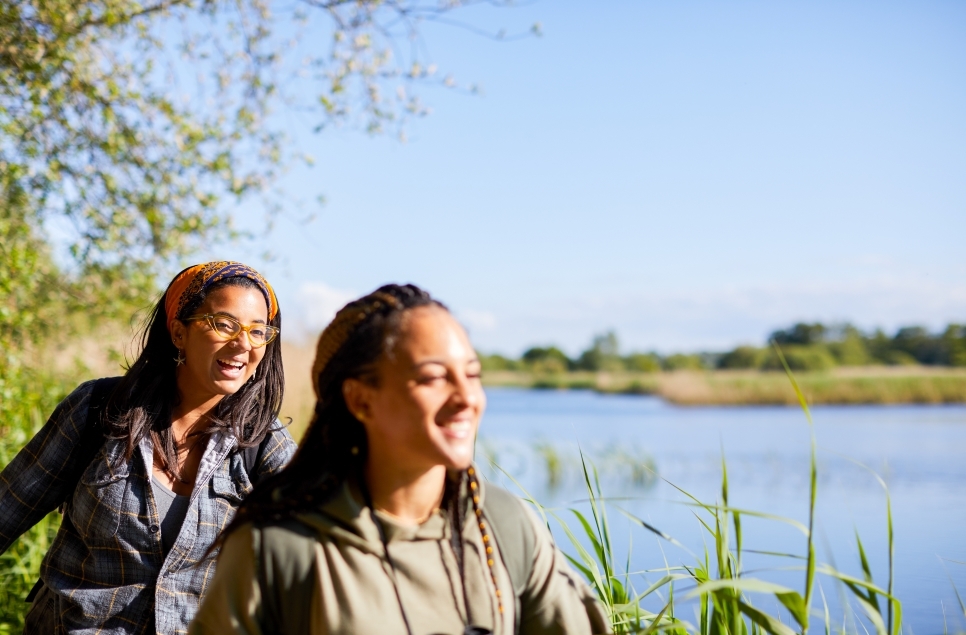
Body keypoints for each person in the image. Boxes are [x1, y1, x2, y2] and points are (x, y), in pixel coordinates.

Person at [190, 284, 610, 635]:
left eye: (473, 374)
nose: (466, 398)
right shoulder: (280, 547)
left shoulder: (503, 524)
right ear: (361, 399)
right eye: (432, 378)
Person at [0, 261, 298, 635]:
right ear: (178, 332)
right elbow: (6, 509)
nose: (243, 345)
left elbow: (320, 553)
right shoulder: (100, 409)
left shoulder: (262, 441)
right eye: (224, 324)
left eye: (258, 332)